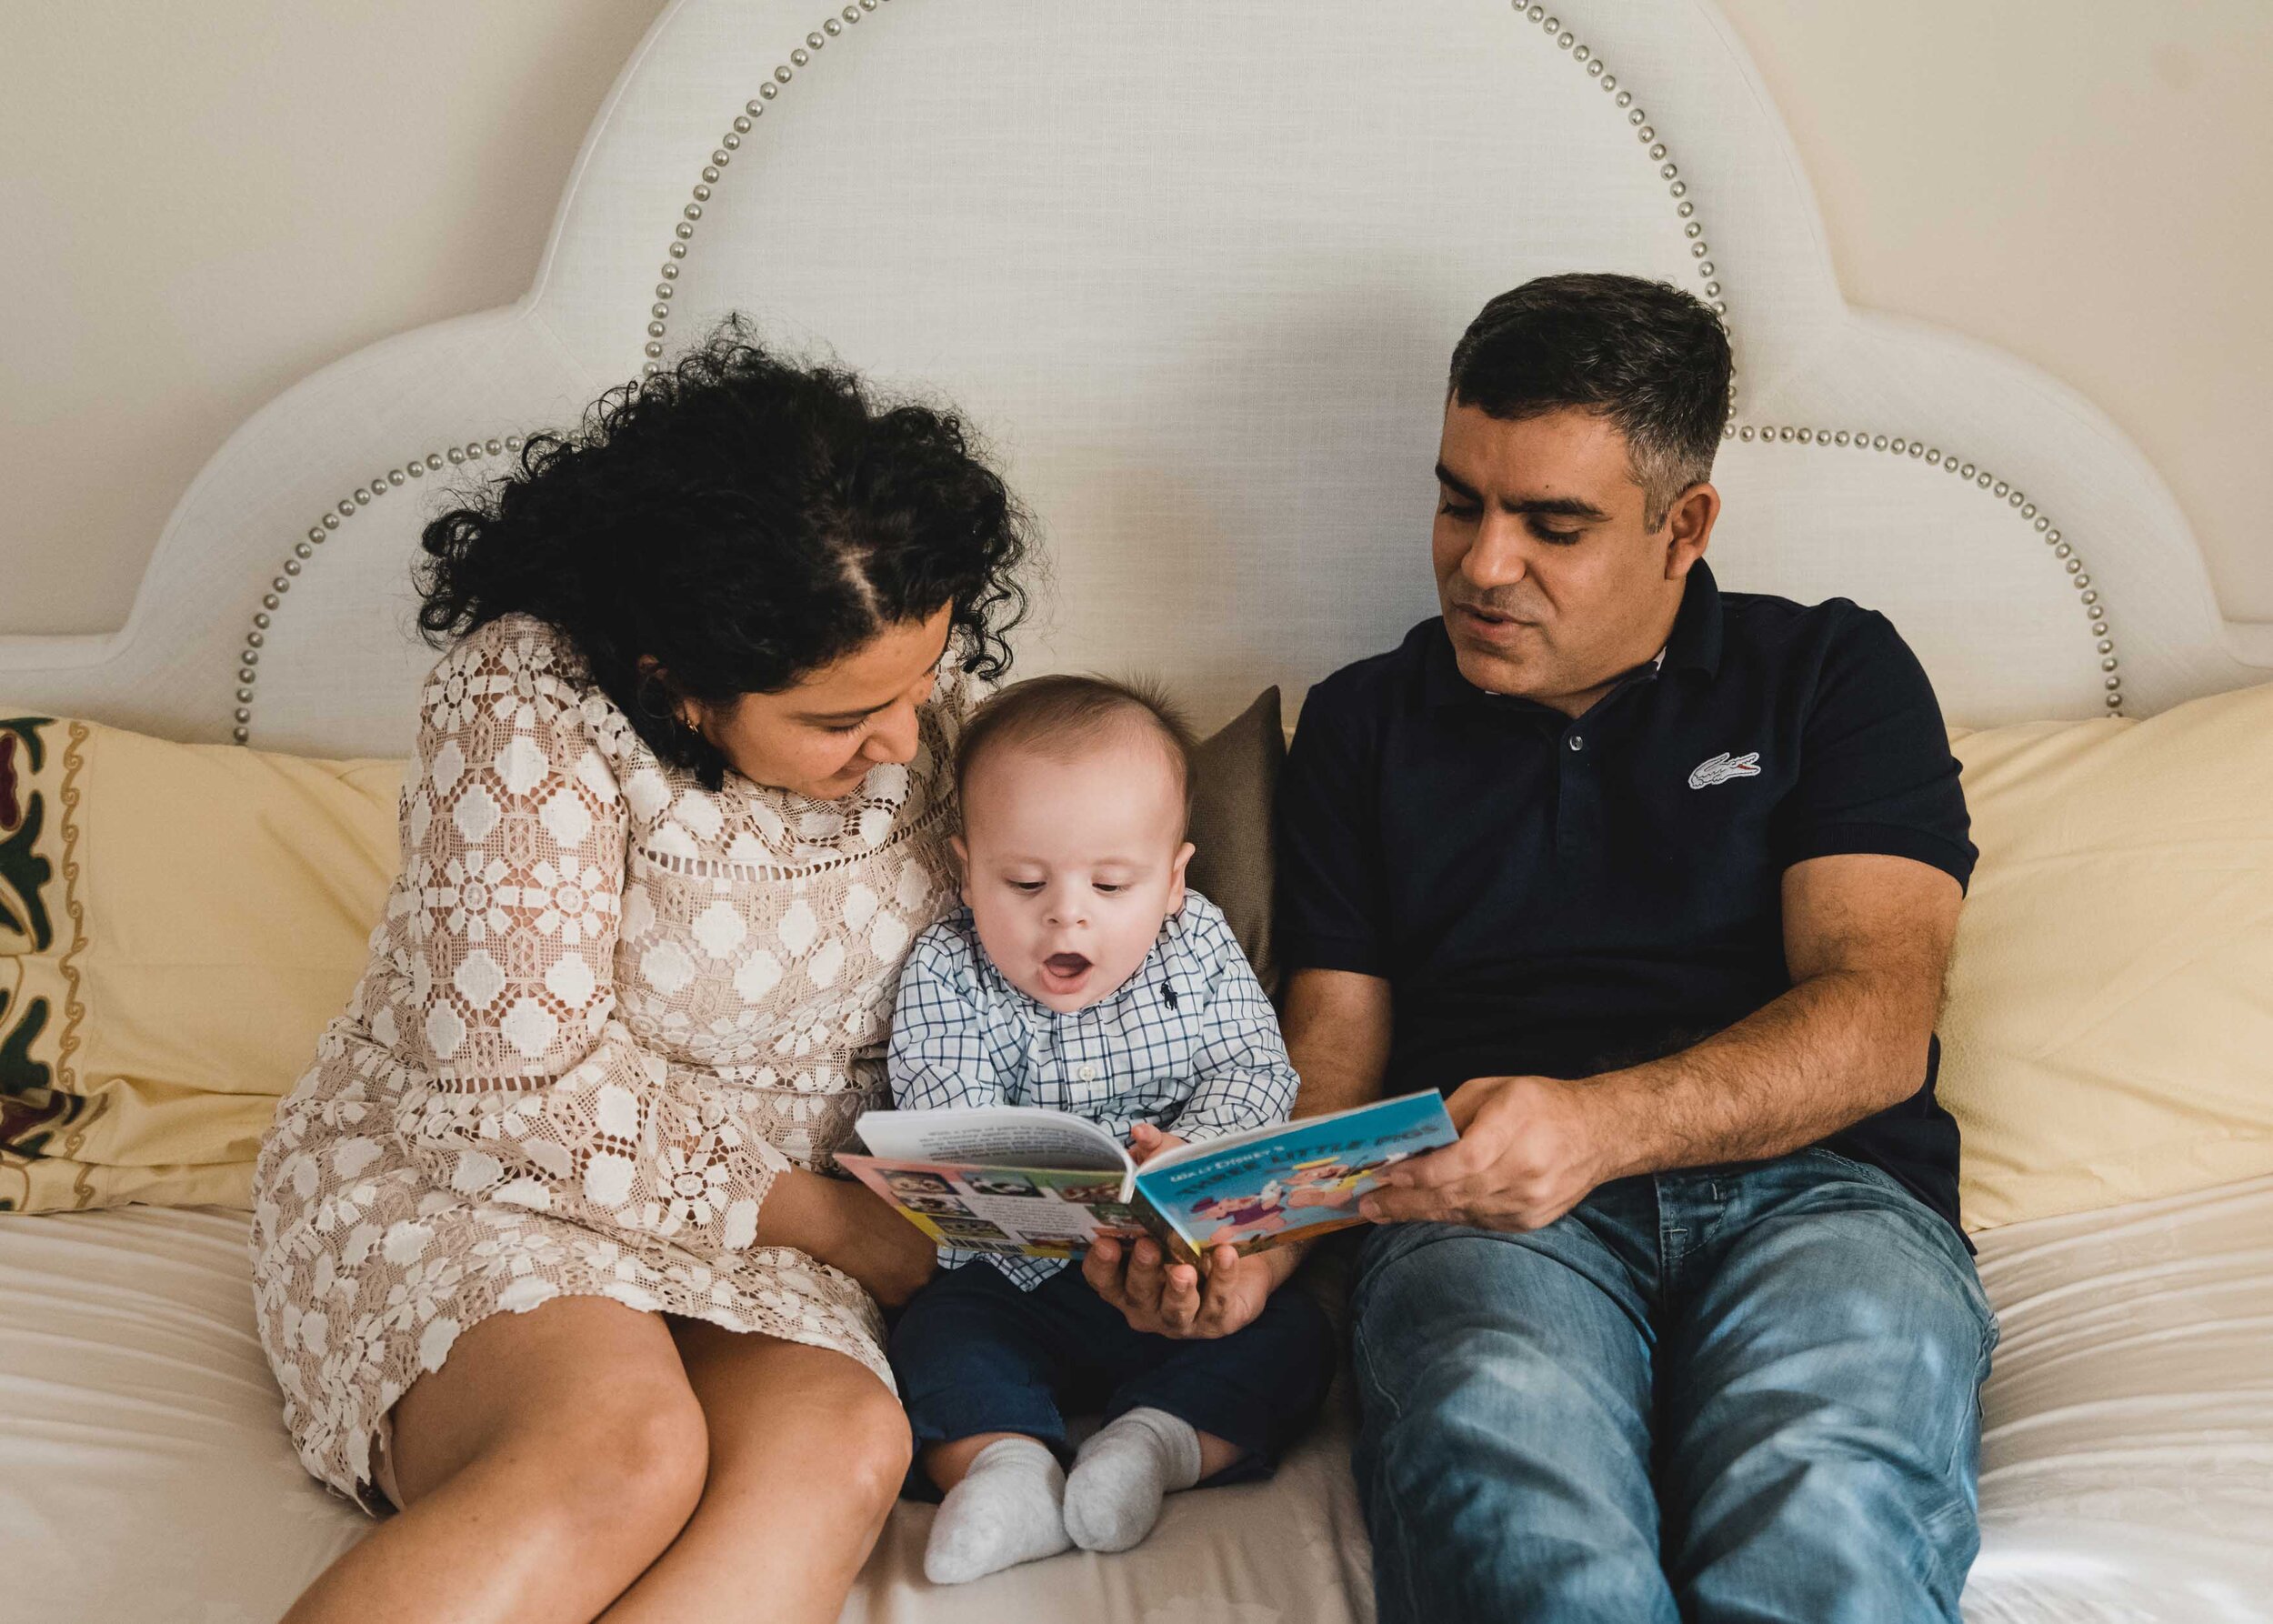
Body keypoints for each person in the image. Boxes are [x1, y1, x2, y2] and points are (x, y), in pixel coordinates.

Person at [1083, 273, 1996, 1622]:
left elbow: (1875, 1020)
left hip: (1827, 1197)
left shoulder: (1830, 674)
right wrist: (1250, 1252)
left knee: (1827, 1500)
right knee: (1516, 1493)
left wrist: (1599, 1124)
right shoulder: (1365, 726)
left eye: (1551, 523)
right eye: (1461, 500)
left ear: (1683, 526)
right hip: (1475, 1221)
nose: (1480, 562)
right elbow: (1334, 1072)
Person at [247, 326, 1031, 1624]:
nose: (905, 745)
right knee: (624, 1452)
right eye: (842, 719)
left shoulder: (905, 695)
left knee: (840, 1442)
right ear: (678, 690)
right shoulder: (526, 694)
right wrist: (841, 1225)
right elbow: (517, 1086)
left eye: (926, 679)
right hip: (483, 1177)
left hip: (772, 1244)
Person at [884, 675, 1334, 1584]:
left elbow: (1254, 1069)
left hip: (1167, 1278)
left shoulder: (1200, 945)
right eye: (1022, 881)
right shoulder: (947, 966)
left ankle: (1152, 1447)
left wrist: (1192, 1155)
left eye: (1111, 882)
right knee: (931, 1340)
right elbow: (938, 1113)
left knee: (1292, 1339)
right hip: (1010, 1285)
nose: (1066, 912)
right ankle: (1006, 1469)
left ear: (1172, 881)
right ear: (965, 869)